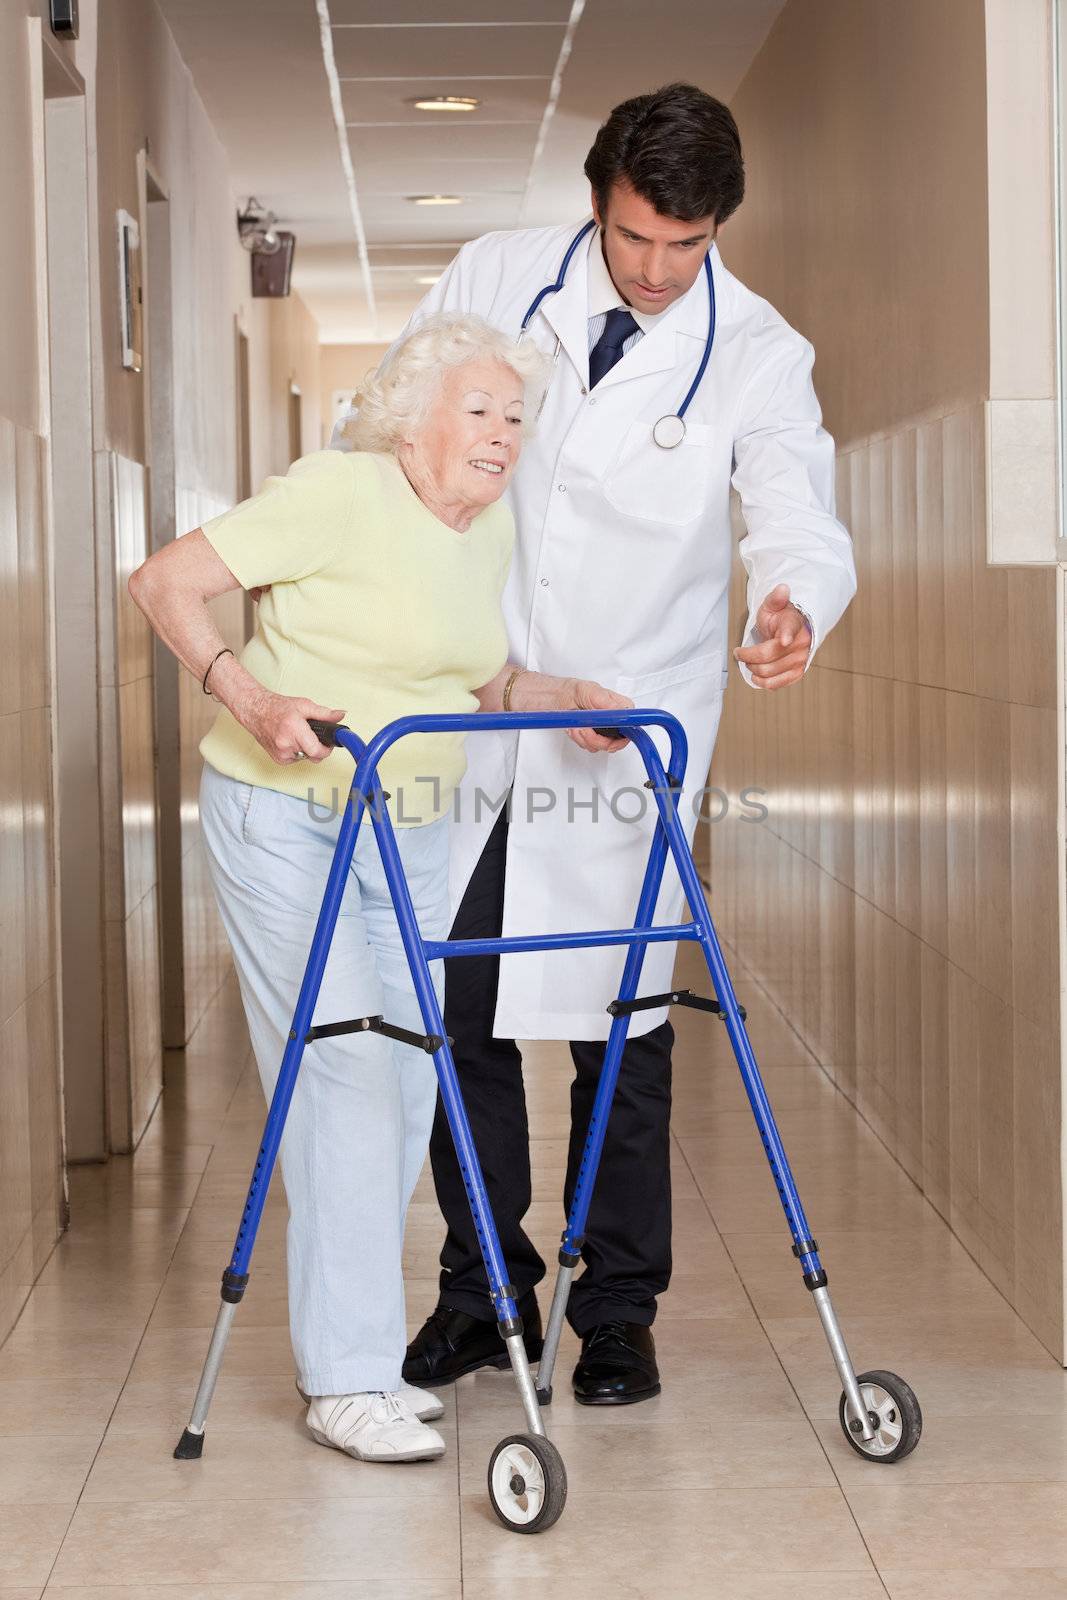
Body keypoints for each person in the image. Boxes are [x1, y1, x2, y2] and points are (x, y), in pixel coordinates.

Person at [346, 85, 857, 1407]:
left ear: (714, 231)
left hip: (625, 726)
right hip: (481, 696)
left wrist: (791, 599)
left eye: (684, 246)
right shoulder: (495, 275)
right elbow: (395, 424)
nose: (653, 270)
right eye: (634, 237)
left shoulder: (754, 351)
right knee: (462, 1007)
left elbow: (791, 504)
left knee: (623, 1029)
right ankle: (481, 1293)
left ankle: (616, 1314)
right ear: (596, 200)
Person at [127, 314, 632, 1464]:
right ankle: (346, 1376)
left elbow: (476, 671)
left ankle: (351, 1351)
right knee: (348, 1062)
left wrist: (561, 694)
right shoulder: (338, 492)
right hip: (288, 815)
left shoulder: (482, 526)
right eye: (479, 410)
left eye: (515, 415)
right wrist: (251, 698)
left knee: (408, 1074)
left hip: (409, 827)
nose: (503, 434)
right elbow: (162, 582)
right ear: (412, 420)